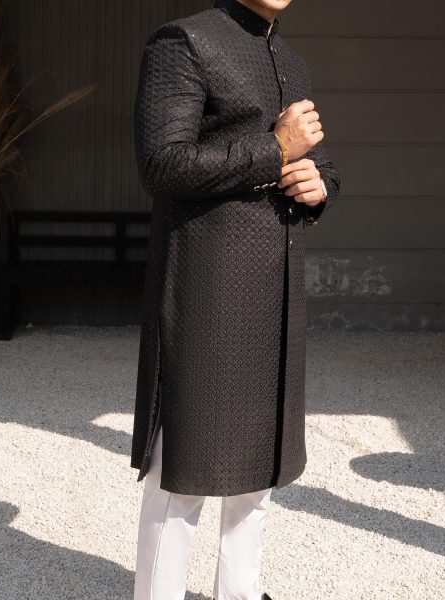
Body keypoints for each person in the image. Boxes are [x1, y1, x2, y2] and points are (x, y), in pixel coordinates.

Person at [131, 0, 341, 598]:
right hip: (205, 288)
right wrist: (275, 150)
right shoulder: (185, 42)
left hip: (276, 290)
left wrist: (319, 186)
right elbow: (161, 164)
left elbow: (313, 159)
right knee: (182, 469)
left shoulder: (291, 62)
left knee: (258, 469)